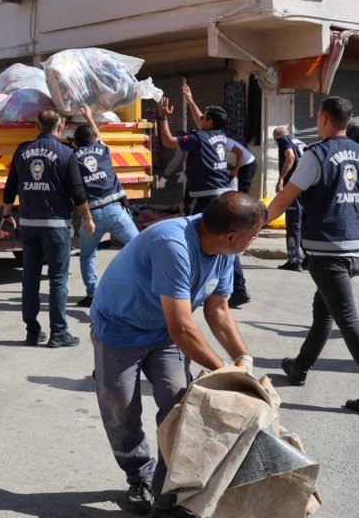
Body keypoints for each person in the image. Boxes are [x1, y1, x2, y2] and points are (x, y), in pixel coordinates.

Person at [90, 192, 263, 516]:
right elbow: (182, 328)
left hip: (164, 334)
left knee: (179, 407)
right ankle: (138, 473)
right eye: (254, 235)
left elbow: (219, 310)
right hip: (120, 329)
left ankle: (167, 492)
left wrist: (243, 358)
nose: (255, 240)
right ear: (231, 236)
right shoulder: (175, 245)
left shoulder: (225, 252)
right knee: (120, 409)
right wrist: (224, 371)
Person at [266, 96, 359, 413]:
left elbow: (285, 199)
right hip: (353, 249)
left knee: (347, 318)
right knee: (323, 309)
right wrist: (358, 239)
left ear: (324, 118)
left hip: (327, 251)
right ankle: (300, 366)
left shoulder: (317, 154)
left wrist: (254, 224)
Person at [1, 109, 95, 348]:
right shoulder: (66, 153)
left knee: (30, 278)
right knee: (57, 280)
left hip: (29, 226)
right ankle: (58, 333)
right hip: (55, 227)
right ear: (61, 126)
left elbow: (10, 187)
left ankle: (32, 332)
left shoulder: (22, 151)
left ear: (36, 125)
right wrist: (87, 217)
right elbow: (77, 192)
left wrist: (5, 215)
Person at [158, 85, 251, 307]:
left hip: (208, 198)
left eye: (204, 118)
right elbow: (202, 119)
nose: (201, 120)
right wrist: (190, 100)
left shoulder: (198, 138)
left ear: (208, 122)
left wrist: (162, 117)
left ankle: (200, 286)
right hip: (221, 194)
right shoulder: (219, 135)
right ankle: (237, 288)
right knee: (222, 240)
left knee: (200, 240)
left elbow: (168, 141)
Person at [72, 106, 139, 309]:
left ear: (75, 142)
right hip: (116, 209)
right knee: (140, 247)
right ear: (92, 139)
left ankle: (92, 293)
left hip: (91, 217)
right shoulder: (101, 149)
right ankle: (143, 290)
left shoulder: (72, 158)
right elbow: (98, 134)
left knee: (87, 256)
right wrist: (89, 117)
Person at [274, 126, 306, 272]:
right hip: (306, 188)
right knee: (304, 224)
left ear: (277, 137)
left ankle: (294, 260)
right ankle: (309, 259)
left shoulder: (283, 140)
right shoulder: (300, 142)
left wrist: (281, 178)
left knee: (293, 224)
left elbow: (290, 156)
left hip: (294, 188)